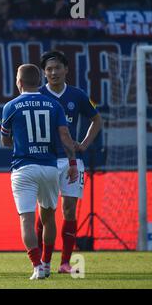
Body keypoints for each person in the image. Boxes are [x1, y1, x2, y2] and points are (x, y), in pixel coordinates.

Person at [1, 64, 78, 280]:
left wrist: (17, 139)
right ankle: (46, 263)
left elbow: (5, 140)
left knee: (26, 219)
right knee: (49, 217)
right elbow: (65, 136)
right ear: (38, 81)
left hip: (24, 167)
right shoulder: (54, 105)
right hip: (49, 167)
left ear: (20, 82)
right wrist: (72, 163)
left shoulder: (11, 106)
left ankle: (36, 267)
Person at [38, 51, 102, 273]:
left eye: (57, 68)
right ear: (44, 73)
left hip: (71, 160)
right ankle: (41, 262)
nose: (53, 72)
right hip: (44, 161)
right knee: (45, 212)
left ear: (66, 69)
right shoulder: (37, 96)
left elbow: (96, 120)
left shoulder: (77, 95)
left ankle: (65, 262)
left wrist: (83, 144)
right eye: (49, 69)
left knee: (69, 210)